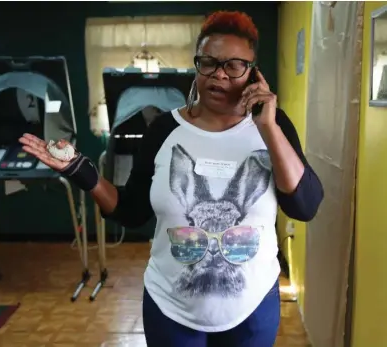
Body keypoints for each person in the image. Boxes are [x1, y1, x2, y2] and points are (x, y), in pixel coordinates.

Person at [20, 10, 324, 347]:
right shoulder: (164, 130)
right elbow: (132, 211)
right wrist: (80, 169)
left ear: (254, 73)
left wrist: (266, 127)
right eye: (208, 62)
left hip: (251, 309)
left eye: (234, 65)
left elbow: (305, 205)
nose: (218, 76)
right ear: (197, 65)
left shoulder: (273, 126)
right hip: (171, 308)